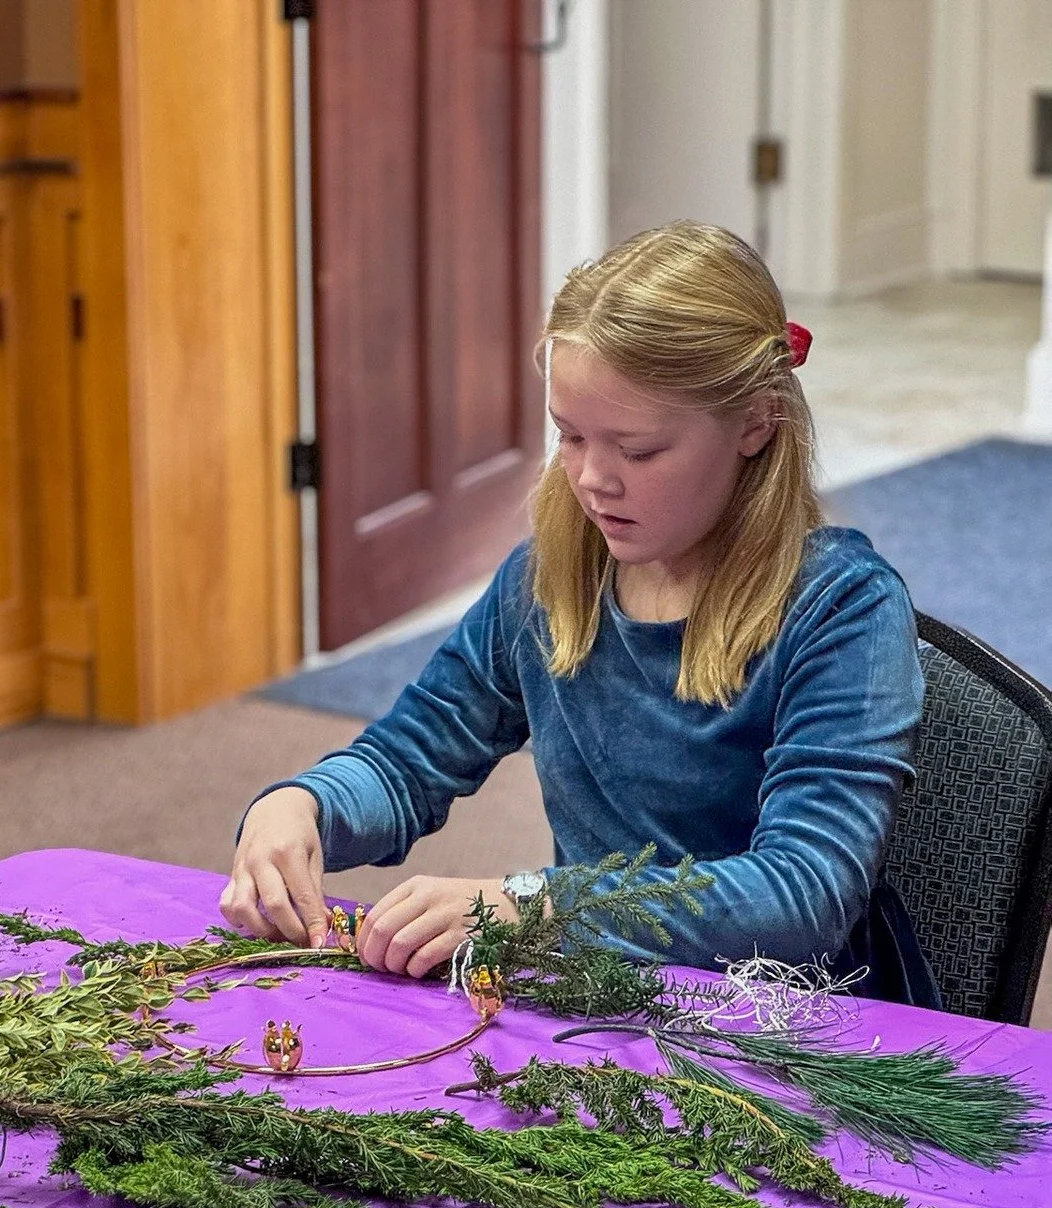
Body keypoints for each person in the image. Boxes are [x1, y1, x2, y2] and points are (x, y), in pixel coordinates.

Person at [223, 221, 937, 1005]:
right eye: (570, 436)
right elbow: (405, 762)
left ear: (756, 423)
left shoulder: (842, 607)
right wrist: (304, 806)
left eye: (638, 451)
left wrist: (535, 906)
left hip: (788, 1029)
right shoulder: (547, 580)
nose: (594, 479)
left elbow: (803, 899)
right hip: (592, 993)